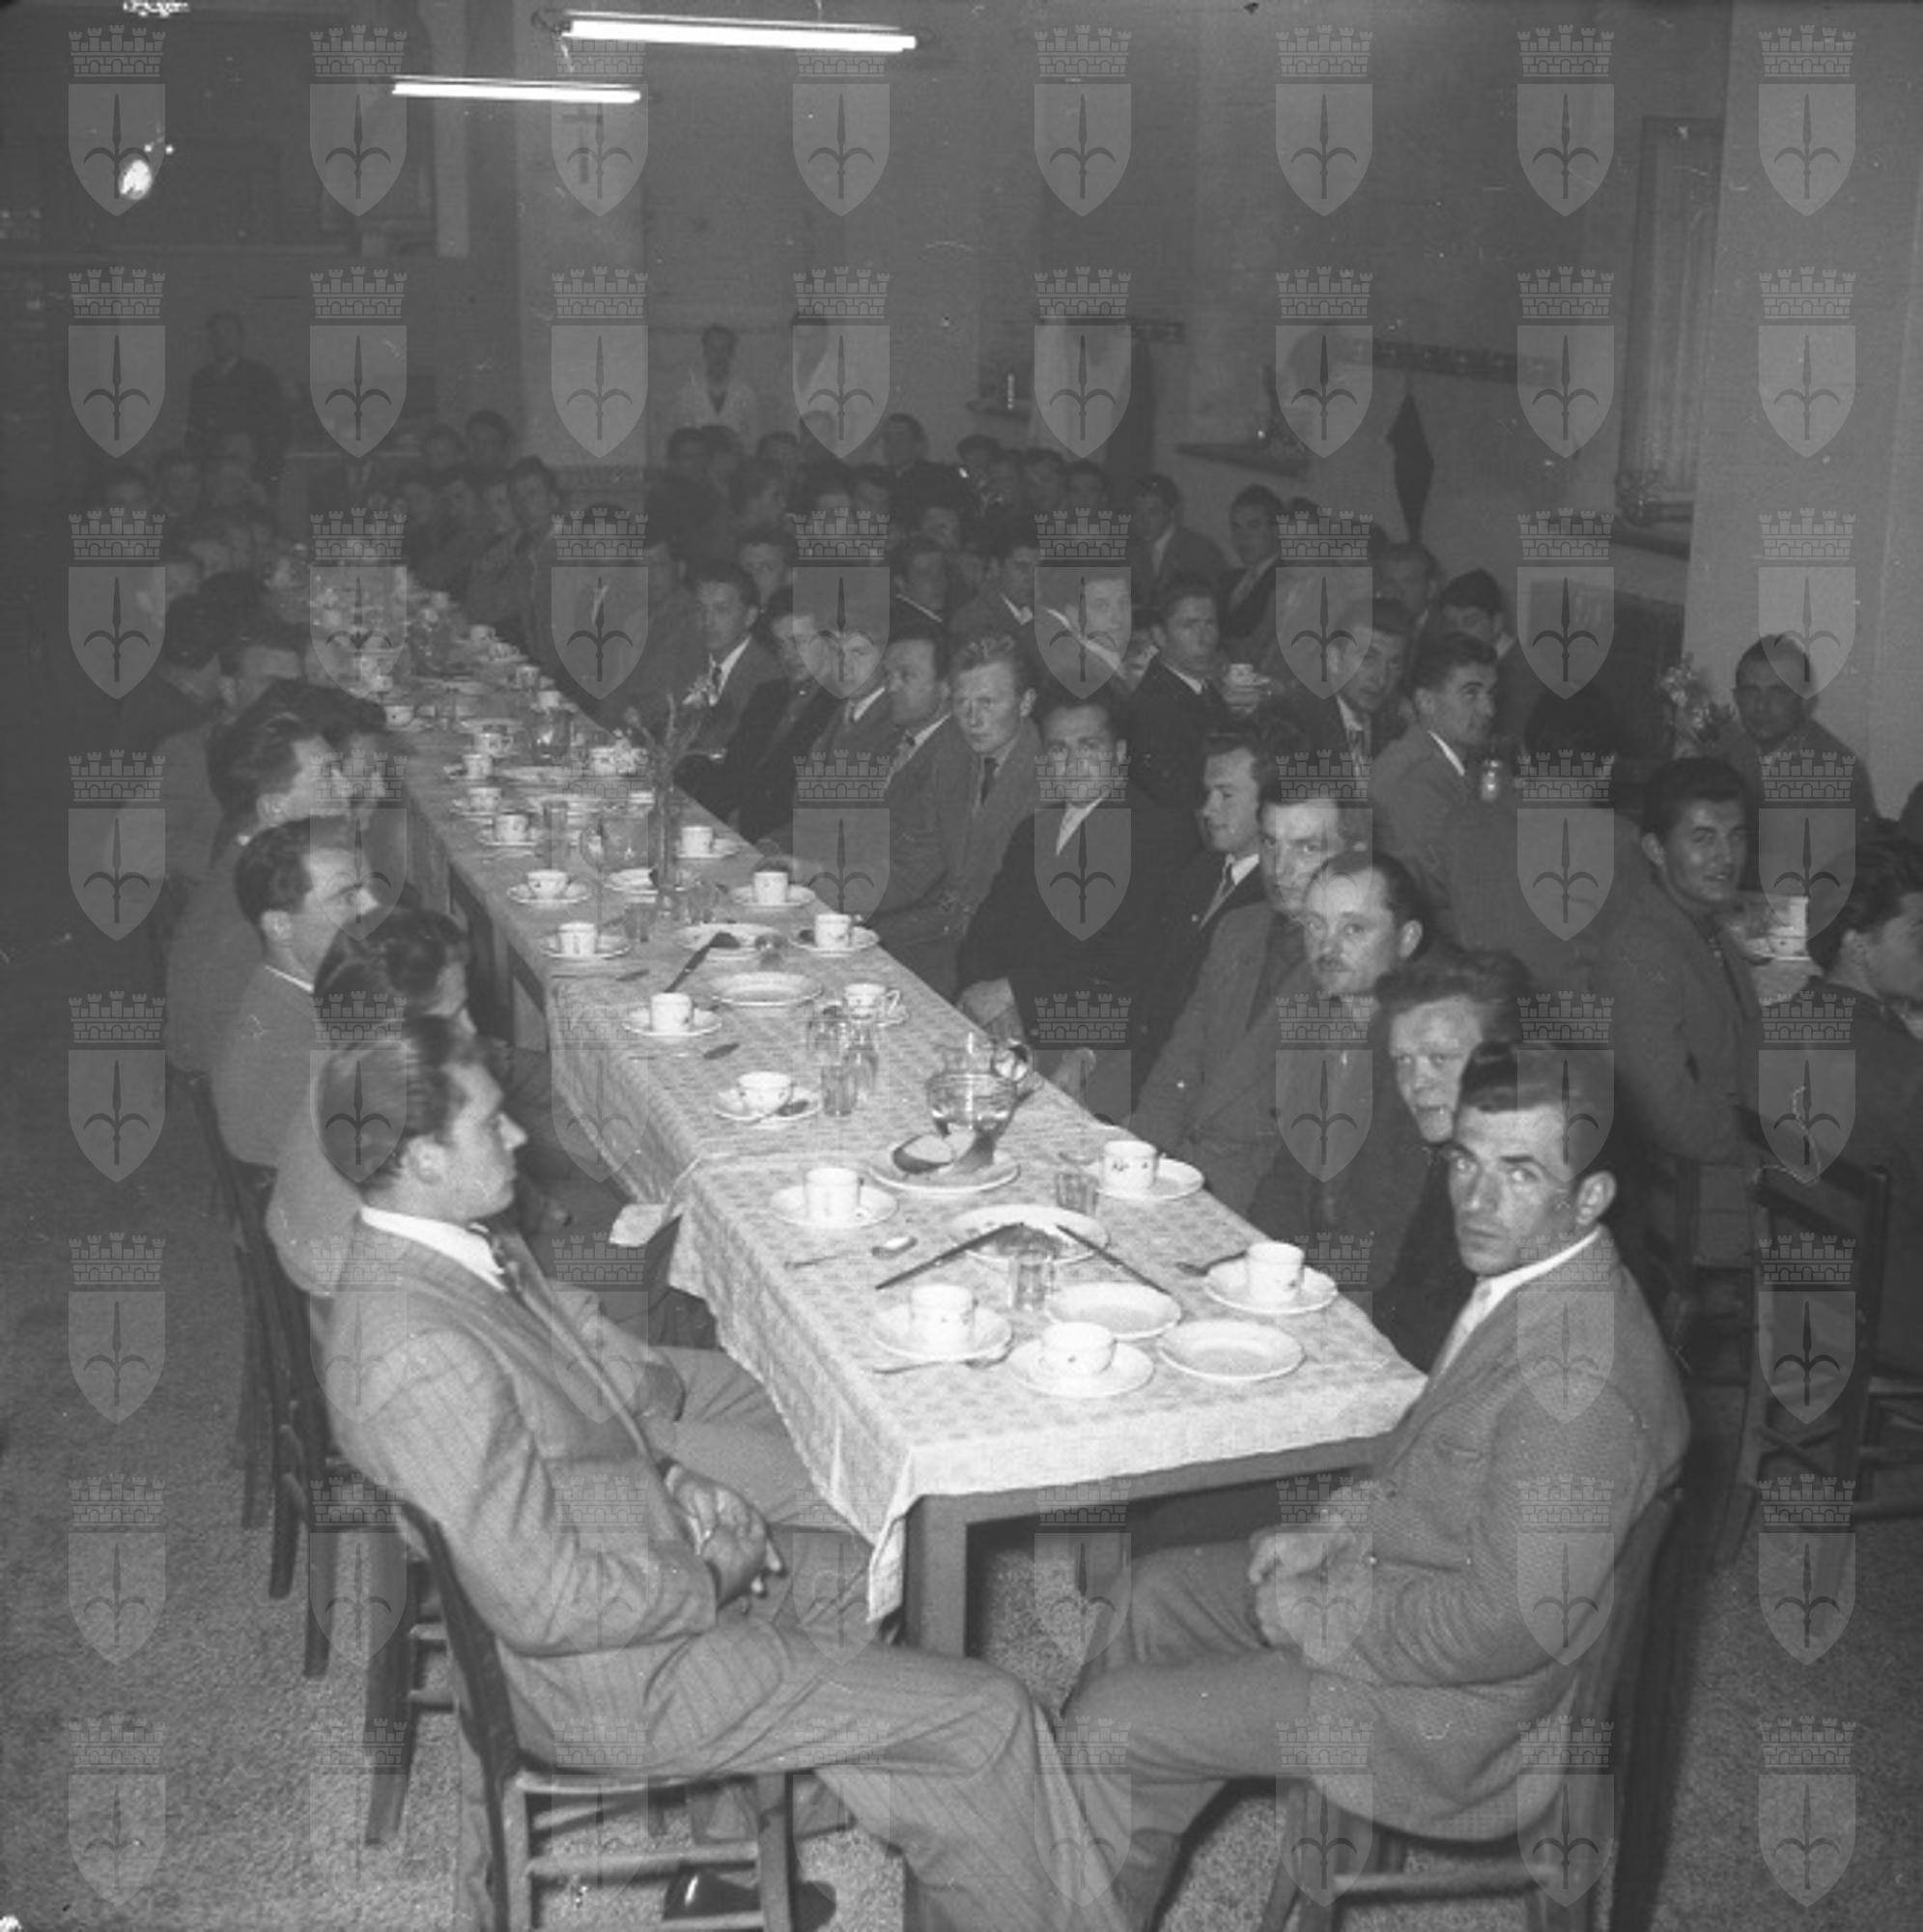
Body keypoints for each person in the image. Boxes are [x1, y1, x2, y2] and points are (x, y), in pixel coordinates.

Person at [321, 1020, 1125, 1932]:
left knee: (875, 1577)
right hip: (613, 1679)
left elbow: (562, 1423)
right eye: (489, 1122)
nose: (515, 1134)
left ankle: (752, 1864)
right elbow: (543, 1606)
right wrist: (707, 1578)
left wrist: (670, 1475)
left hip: (622, 1569)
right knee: (988, 1715)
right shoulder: (418, 1349)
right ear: (424, 1157)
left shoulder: (443, 1248)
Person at [1064, 1040, 1688, 1930]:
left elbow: (1507, 1625)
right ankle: (1077, 1879)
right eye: (1465, 1163)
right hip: (1406, 1596)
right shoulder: (1531, 1277)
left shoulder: (1578, 1392)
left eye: (1519, 1173)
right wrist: (1335, 1527)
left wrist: (1321, 1616)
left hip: (1456, 1718)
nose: (1475, 1200)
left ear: (1589, 1197)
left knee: (1115, 1723)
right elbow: (1423, 1457)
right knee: (1149, 1595)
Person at [1128, 765, 1366, 1213]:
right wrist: (1136, 1163)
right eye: (1271, 843)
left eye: (1307, 848)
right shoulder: (1239, 928)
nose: (1281, 869)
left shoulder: (1360, 967)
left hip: (1254, 1205)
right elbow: (1178, 1064)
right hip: (1179, 1172)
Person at [957, 683, 1196, 1054]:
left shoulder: (1157, 836)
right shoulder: (1033, 830)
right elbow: (984, 935)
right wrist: (983, 993)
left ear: (1119, 753)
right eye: (1058, 749)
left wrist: (1014, 994)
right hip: (999, 1024)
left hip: (1086, 1041)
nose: (1072, 764)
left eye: (1089, 747)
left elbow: (1127, 967)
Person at [1591, 757, 1761, 1267]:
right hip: (1699, 1199)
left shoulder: (1699, 925)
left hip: (1726, 1164)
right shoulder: (1644, 949)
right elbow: (1665, 1111)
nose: (1726, 857)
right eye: (1703, 838)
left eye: (1736, 836)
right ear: (1655, 850)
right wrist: (1764, 1148)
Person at [1351, 949, 1531, 1369]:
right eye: (1403, 1061)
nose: (1416, 1083)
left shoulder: (1526, 1186)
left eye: (1439, 1059)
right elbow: (1405, 1305)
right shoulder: (1455, 1152)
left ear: (1504, 1058)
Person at [1244, 850, 1429, 1243]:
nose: (1327, 948)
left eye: (1354, 929)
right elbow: (1287, 1178)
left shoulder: (1420, 1056)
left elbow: (1392, 1226)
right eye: (1315, 925)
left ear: (1407, 939)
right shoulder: (1318, 1026)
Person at [162, 700, 350, 1074]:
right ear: (274, 809)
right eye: (329, 778)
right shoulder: (261, 904)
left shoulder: (252, 859)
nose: (347, 787)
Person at [1801, 837, 1923, 1370]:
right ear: (1856, 944)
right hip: (1893, 1320)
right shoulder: (1903, 1069)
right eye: (1917, 933)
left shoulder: (1762, 1032)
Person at [872, 636, 1043, 998]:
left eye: (987, 703)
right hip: (946, 941)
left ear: (1026, 703)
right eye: (962, 703)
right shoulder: (954, 760)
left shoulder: (1051, 779)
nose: (972, 719)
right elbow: (918, 864)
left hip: (1009, 964)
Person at [1121, 729, 1279, 1109]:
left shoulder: (1273, 898)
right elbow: (1150, 979)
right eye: (1207, 794)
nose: (1208, 810)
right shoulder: (1200, 872)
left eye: (1226, 795)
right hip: (1143, 1075)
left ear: (1270, 801)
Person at [212, 820, 379, 1165]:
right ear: (280, 926)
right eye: (348, 898)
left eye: (368, 891)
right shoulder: (298, 1057)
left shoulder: (287, 995)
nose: (374, 909)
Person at [157, 628, 306, 893]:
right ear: (229, 689)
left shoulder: (311, 749)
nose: (287, 697)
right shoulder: (191, 752)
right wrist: (246, 866)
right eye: (270, 684)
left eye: (295, 686)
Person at [1369, 629, 1499, 921]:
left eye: (1491, 694)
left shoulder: (1457, 764)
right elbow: (1441, 896)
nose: (1489, 709)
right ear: (1426, 702)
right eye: (1471, 694)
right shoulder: (1411, 780)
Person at [1712, 635, 1879, 851]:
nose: (1761, 706)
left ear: (1805, 701)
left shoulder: (1835, 771)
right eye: (1751, 692)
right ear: (1736, 698)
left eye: (1778, 693)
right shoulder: (1727, 755)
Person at [1268, 595, 1411, 781]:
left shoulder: (1396, 725)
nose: (1381, 679)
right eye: (1368, 658)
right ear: (1334, 659)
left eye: (1394, 664)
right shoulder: (1292, 719)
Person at [1126, 580, 1232, 815]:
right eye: (1189, 625)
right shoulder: (1154, 710)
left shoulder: (1200, 687)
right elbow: (1178, 803)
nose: (1203, 637)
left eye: (1210, 624)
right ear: (1160, 636)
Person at [674, 562, 784, 767]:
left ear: (749, 617)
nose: (707, 621)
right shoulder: (687, 660)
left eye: (721, 610)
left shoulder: (767, 677)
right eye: (700, 609)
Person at [185, 312, 289, 489]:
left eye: (228, 333)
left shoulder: (262, 377)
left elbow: (275, 432)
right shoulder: (201, 379)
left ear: (240, 339)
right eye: (216, 334)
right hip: (211, 471)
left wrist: (261, 476)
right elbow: (195, 430)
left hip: (251, 471)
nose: (222, 339)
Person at [1126, 474, 1227, 614]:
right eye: (1136, 512)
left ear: (1172, 512)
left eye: (1152, 512)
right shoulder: (1132, 549)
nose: (1143, 521)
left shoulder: (1200, 550)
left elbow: (1212, 606)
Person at [1217, 484, 1287, 658]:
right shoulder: (1227, 580)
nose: (1242, 537)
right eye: (1236, 527)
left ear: (1277, 530)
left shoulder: (1285, 582)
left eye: (1253, 526)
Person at [946, 519, 1039, 648]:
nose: (1033, 578)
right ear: (996, 567)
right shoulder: (971, 621)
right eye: (1022, 567)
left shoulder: (1040, 610)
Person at [668, 323, 761, 449]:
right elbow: (680, 438)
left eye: (724, 349)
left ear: (731, 353)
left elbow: (755, 439)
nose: (718, 355)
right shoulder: (687, 393)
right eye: (713, 349)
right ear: (704, 352)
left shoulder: (746, 393)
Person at [889, 533, 951, 641]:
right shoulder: (915, 631)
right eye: (924, 573)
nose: (937, 581)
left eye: (941, 571)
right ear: (901, 583)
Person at [463, 408, 513, 475]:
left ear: (501, 449)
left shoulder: (513, 480)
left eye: (489, 442)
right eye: (475, 440)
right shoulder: (451, 476)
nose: (480, 448)